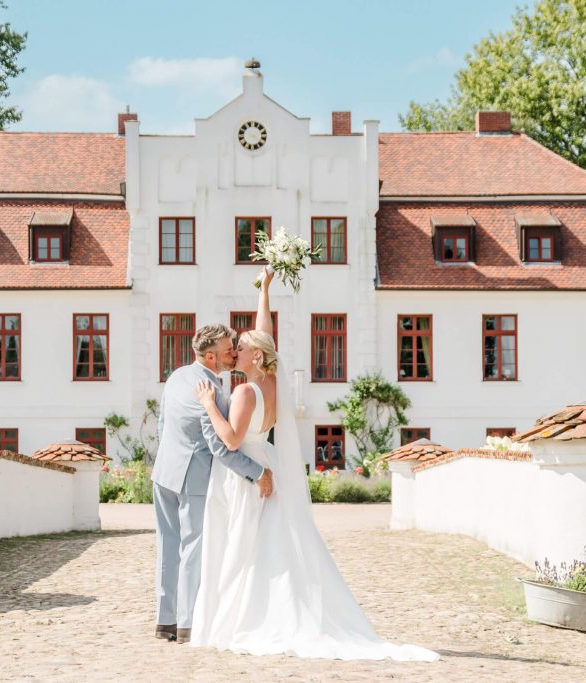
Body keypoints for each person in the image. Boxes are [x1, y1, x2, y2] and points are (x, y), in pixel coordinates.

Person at [189, 269, 439, 662]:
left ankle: (241, 616)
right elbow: (264, 333)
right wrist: (265, 290)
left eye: (239, 348)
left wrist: (207, 405)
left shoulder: (243, 391)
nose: (233, 351)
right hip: (267, 462)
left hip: (247, 471)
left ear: (253, 355)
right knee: (268, 541)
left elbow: (232, 440)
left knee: (241, 543)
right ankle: (267, 608)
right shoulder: (270, 380)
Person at [151, 323, 274, 645]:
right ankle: (187, 624)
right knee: (193, 549)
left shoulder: (176, 376)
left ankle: (165, 621)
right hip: (191, 477)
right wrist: (258, 472)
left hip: (163, 472)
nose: (233, 353)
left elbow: (163, 424)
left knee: (168, 548)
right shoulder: (213, 392)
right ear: (210, 355)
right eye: (228, 350)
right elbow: (223, 447)